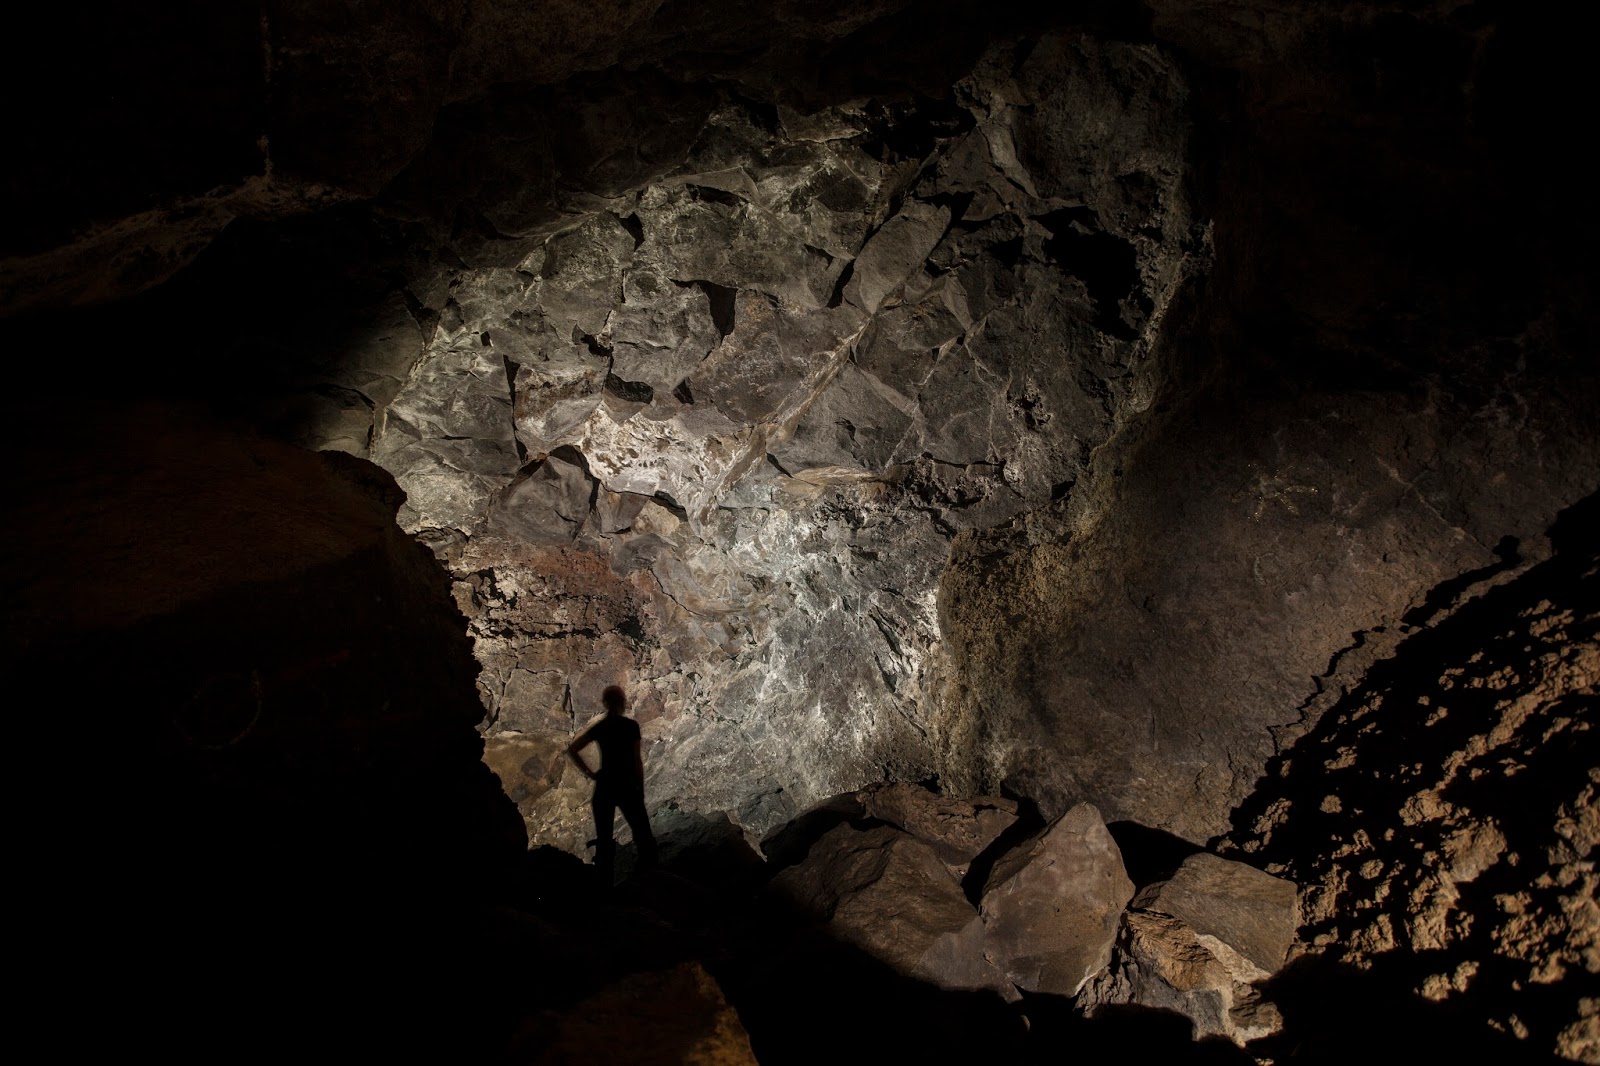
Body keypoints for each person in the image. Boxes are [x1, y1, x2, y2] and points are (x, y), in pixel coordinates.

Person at [567, 685, 658, 884]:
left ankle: (604, 886)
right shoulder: (630, 726)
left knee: (604, 840)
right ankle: (648, 880)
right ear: (623, 702)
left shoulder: (601, 727)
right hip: (627, 785)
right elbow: (636, 761)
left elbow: (573, 749)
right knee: (642, 834)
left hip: (605, 785)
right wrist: (640, 789)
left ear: (605, 703)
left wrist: (590, 773)